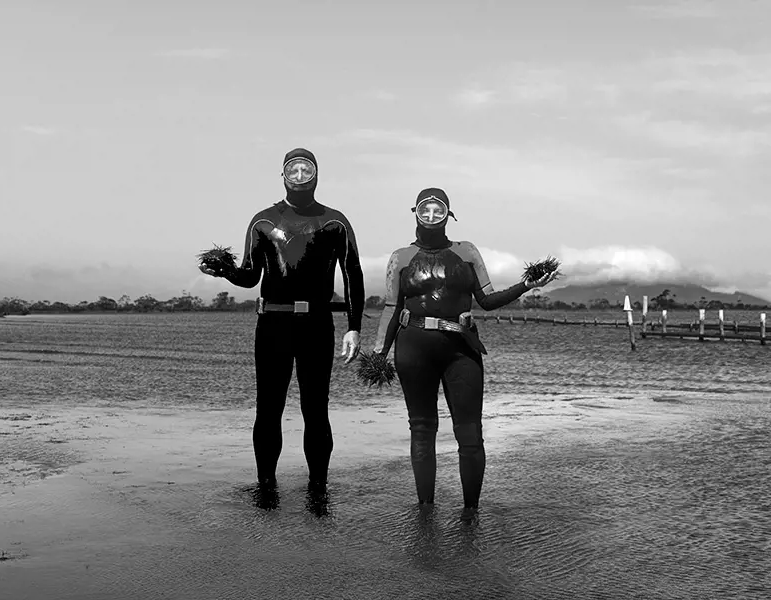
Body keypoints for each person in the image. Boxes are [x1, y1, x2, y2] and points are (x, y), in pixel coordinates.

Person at [372, 187, 557, 519]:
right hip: (413, 348)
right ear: (415, 212)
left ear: (448, 214)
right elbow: (390, 307)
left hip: (461, 349)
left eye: (438, 209)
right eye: (425, 209)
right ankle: (424, 512)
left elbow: (487, 300)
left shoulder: (467, 252)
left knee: (470, 434)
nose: (431, 215)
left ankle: (471, 514)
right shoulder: (400, 258)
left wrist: (526, 285)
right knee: (422, 428)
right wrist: (377, 354)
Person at [200, 148, 365, 507]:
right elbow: (250, 275)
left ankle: (318, 490)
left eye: (308, 168)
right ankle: (266, 487)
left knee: (316, 409)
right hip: (273, 322)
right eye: (295, 168)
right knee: (268, 407)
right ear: (284, 175)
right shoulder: (263, 221)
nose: (301, 173)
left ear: (317, 175)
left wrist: (354, 327)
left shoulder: (335, 222)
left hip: (318, 324)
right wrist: (224, 270)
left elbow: (352, 274)